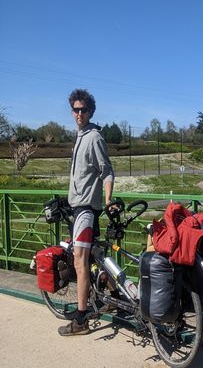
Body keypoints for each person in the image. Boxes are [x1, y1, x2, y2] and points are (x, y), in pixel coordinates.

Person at [58, 89, 115, 336]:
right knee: (95, 257)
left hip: (86, 210)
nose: (78, 114)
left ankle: (81, 321)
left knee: (80, 262)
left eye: (83, 110)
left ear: (90, 111)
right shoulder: (81, 136)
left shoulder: (93, 138)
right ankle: (113, 296)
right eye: (75, 110)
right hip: (78, 207)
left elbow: (107, 171)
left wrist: (108, 198)